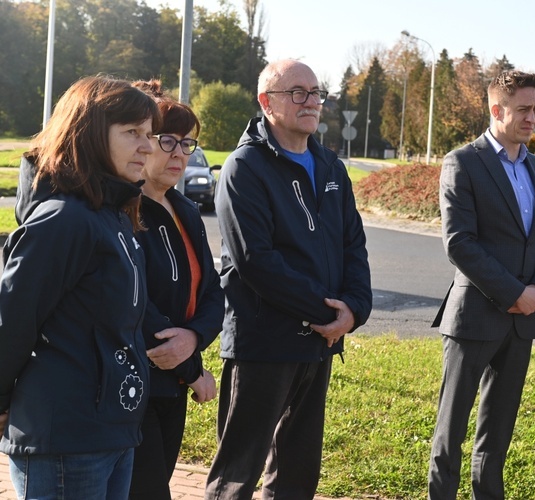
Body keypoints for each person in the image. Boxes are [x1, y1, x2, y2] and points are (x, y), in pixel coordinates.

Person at [203, 59, 372, 499]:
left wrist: (353, 310)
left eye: (317, 92)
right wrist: (325, 311)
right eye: (298, 92)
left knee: (298, 473)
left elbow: (353, 244)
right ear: (266, 102)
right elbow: (255, 260)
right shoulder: (245, 168)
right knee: (237, 474)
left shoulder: (331, 167)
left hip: (320, 341)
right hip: (263, 343)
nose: (311, 101)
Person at [0, 75, 160, 499]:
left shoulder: (114, 217)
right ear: (88, 135)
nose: (148, 146)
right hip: (65, 440)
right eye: (132, 133)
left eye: (149, 134)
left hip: (111, 430)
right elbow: (13, 321)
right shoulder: (64, 221)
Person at [428, 70, 535, 499]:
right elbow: (460, 244)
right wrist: (514, 293)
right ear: (497, 110)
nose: (533, 118)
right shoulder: (463, 162)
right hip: (474, 317)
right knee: (449, 433)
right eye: (524, 109)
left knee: (498, 434)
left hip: (523, 320)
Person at [128, 80, 223, 500]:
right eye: (168, 140)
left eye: (187, 144)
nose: (179, 154)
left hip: (176, 384)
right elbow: (134, 303)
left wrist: (196, 339)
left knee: (159, 482)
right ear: (144, 142)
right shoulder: (123, 209)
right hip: (137, 382)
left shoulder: (184, 208)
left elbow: (213, 292)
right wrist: (192, 368)